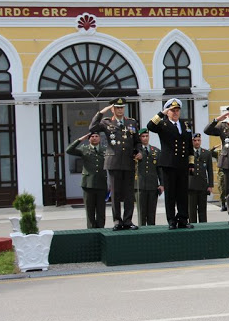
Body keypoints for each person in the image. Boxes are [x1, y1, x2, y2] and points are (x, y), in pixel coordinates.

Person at [89, 97, 141, 231]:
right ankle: (117, 221)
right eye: (117, 108)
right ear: (112, 109)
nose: (120, 110)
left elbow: (137, 141)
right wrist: (101, 112)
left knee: (129, 194)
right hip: (114, 162)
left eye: (122, 107)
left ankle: (128, 220)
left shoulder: (132, 122)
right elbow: (92, 127)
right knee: (116, 193)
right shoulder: (106, 122)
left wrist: (139, 151)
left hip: (129, 162)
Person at [147, 98, 193, 230]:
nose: (175, 113)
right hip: (169, 164)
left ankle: (183, 219)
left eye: (177, 110)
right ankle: (172, 220)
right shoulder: (163, 124)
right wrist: (161, 113)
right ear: (168, 111)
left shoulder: (185, 125)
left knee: (183, 193)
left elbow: (189, 145)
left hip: (183, 164)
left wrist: (191, 163)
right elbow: (150, 126)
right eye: (172, 110)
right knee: (171, 194)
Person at [66, 132, 107, 229]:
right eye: (92, 136)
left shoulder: (105, 150)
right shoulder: (84, 149)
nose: (94, 138)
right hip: (88, 184)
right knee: (90, 210)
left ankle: (101, 229)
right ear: (89, 139)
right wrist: (79, 140)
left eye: (96, 136)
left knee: (101, 210)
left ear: (100, 138)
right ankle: (91, 230)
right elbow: (69, 150)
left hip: (101, 184)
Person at [135, 128, 163, 226]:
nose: (145, 138)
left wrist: (162, 184)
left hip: (152, 185)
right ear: (139, 138)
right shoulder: (135, 151)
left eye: (147, 136)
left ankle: (152, 232)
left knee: (152, 213)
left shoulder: (155, 150)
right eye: (143, 136)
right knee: (141, 213)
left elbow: (160, 169)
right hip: (140, 185)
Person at [189, 133, 214, 223]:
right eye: (194, 140)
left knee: (202, 209)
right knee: (191, 210)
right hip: (191, 185)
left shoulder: (206, 153)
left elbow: (210, 170)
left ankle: (203, 227)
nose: (197, 142)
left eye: (198, 140)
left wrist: (210, 185)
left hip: (203, 185)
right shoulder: (188, 153)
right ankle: (193, 227)